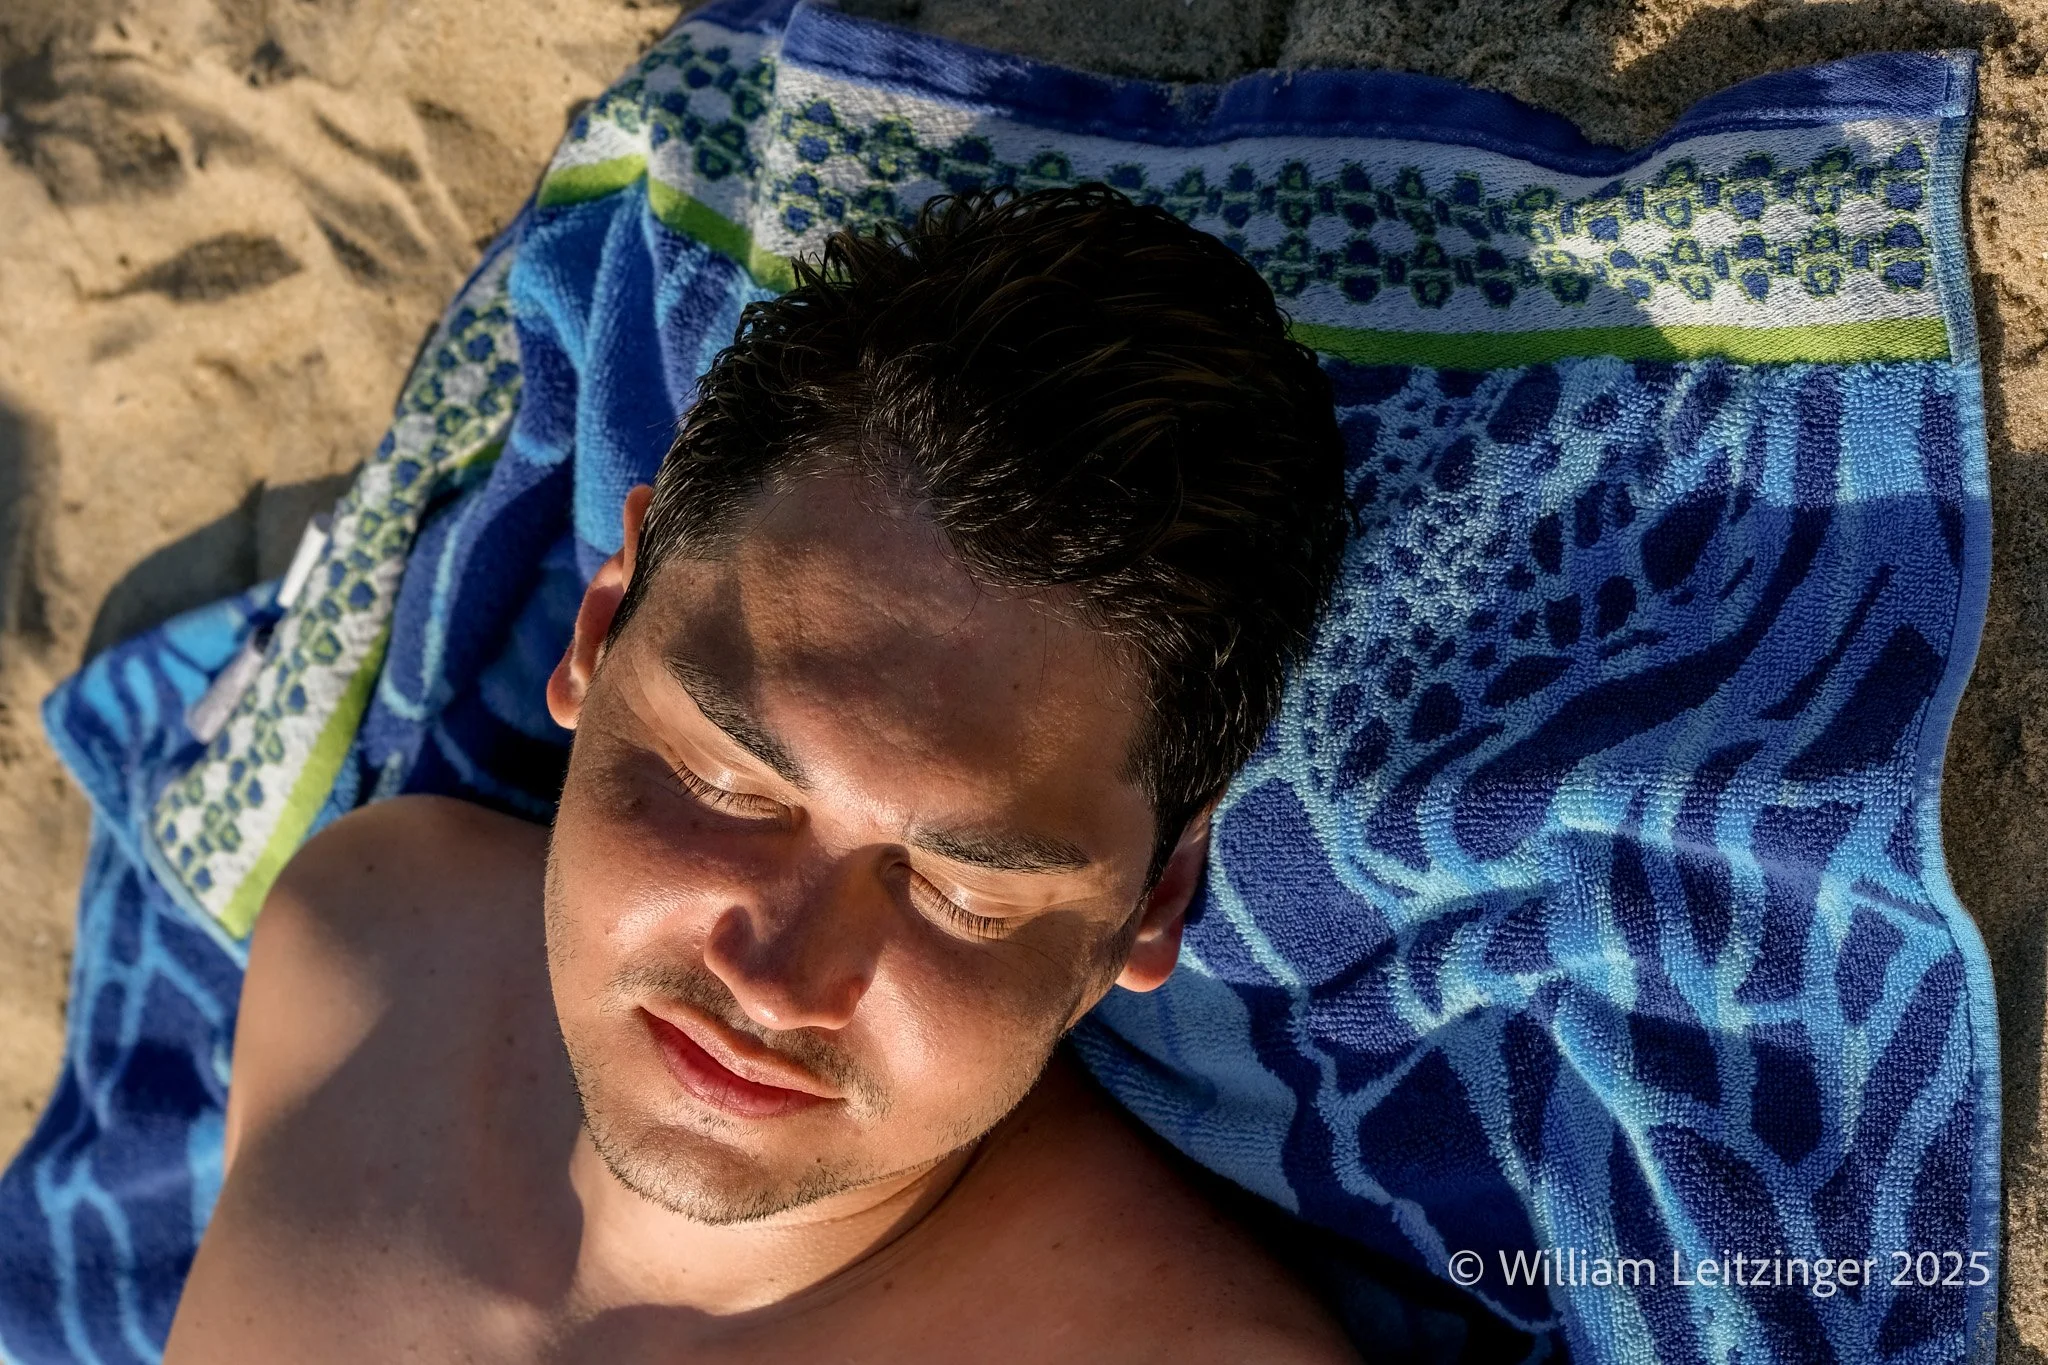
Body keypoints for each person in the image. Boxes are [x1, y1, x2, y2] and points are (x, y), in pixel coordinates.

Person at [164, 185, 1359, 1363]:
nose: (776, 983)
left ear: (1155, 899)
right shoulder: (362, 943)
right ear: (598, 631)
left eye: (962, 895)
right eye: (726, 787)